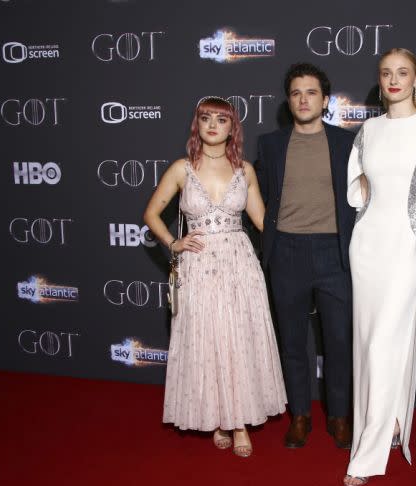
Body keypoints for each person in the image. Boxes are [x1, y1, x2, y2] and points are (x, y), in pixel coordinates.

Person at [143, 96, 287, 458]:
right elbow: (151, 214)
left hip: (240, 264)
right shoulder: (182, 168)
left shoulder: (245, 170)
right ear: (198, 125)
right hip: (199, 264)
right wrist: (173, 243)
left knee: (238, 338)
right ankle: (218, 418)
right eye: (205, 118)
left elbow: (261, 222)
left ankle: (239, 423)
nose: (212, 125)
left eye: (221, 120)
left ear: (231, 127)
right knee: (208, 339)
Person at [344, 48, 416, 486]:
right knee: (371, 341)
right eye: (386, 73)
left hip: (407, 243)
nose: (393, 80)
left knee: (386, 340)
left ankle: (367, 455)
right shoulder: (367, 129)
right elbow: (357, 190)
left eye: (402, 73)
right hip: (366, 243)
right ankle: (390, 424)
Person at [255, 63, 356, 449]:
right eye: (296, 93)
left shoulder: (348, 143)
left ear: (325, 100)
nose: (303, 99)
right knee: (293, 342)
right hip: (287, 253)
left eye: (311, 92)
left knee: (338, 342)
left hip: (334, 253)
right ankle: (299, 415)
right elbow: (261, 197)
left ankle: (339, 416)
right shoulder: (270, 144)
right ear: (288, 100)